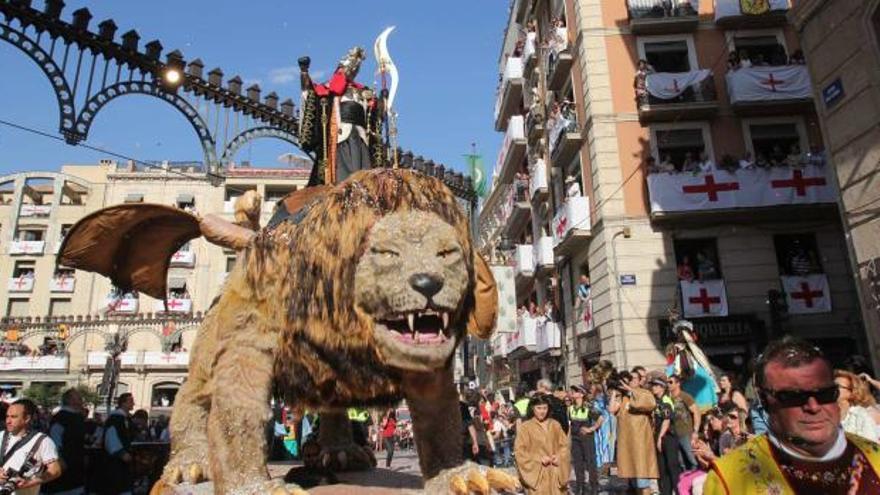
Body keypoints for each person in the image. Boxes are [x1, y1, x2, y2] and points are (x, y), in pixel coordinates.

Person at [704, 337, 880, 494]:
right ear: (765, 402)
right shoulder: (729, 480)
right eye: (794, 397)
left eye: (824, 394)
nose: (813, 406)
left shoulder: (875, 458)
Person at [609, 372, 658, 494]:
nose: (627, 384)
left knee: (643, 484)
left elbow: (650, 404)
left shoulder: (644, 393)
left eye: (632, 380)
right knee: (634, 484)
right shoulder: (623, 399)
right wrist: (614, 393)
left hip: (640, 445)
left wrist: (631, 390)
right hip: (628, 446)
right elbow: (612, 409)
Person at [0, 399, 61, 495]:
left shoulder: (42, 441)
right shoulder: (1, 436)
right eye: (7, 416)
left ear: (27, 418)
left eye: (14, 417)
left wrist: (29, 482)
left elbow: (55, 470)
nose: (8, 421)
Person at [514, 395, 570, 494]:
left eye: (545, 408)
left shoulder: (555, 425)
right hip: (538, 477)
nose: (542, 411)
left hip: (555, 474)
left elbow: (565, 446)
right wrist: (538, 459)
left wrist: (559, 457)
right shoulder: (525, 428)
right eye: (538, 408)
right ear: (532, 408)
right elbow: (520, 453)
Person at [45, 389, 85, 495]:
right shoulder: (61, 417)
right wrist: (59, 458)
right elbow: (54, 439)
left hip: (76, 463)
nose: (81, 399)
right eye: (78, 397)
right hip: (65, 462)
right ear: (70, 400)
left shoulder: (78, 417)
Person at [649, 376, 681, 495]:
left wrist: (660, 438)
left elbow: (667, 420)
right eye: (653, 385)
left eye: (656, 386)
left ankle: (679, 491)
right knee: (662, 469)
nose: (653, 388)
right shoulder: (656, 400)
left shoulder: (666, 400)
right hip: (659, 436)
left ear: (662, 388)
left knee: (672, 468)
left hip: (668, 437)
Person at [569, 385, 602, 495]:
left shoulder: (588, 406)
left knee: (590, 462)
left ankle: (594, 487)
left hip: (586, 438)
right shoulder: (570, 407)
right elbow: (569, 424)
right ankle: (580, 487)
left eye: (576, 391)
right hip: (575, 438)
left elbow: (601, 418)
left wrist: (591, 429)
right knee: (578, 463)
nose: (573, 392)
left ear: (582, 394)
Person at [102, 393, 135, 495]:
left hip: (123, 463)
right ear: (123, 403)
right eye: (130, 401)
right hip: (115, 461)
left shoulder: (126, 418)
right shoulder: (115, 418)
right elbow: (110, 437)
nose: (133, 403)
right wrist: (121, 453)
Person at [835, 369, 879, 442]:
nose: (832, 389)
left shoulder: (862, 415)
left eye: (837, 386)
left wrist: (871, 380)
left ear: (851, 393)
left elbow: (869, 447)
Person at [668, 374, 701, 471]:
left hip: (686, 432)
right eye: (667, 382)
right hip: (674, 434)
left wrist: (695, 431)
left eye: (671, 382)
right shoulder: (668, 398)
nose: (668, 384)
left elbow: (696, 412)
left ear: (678, 383)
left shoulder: (685, 396)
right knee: (681, 462)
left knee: (692, 459)